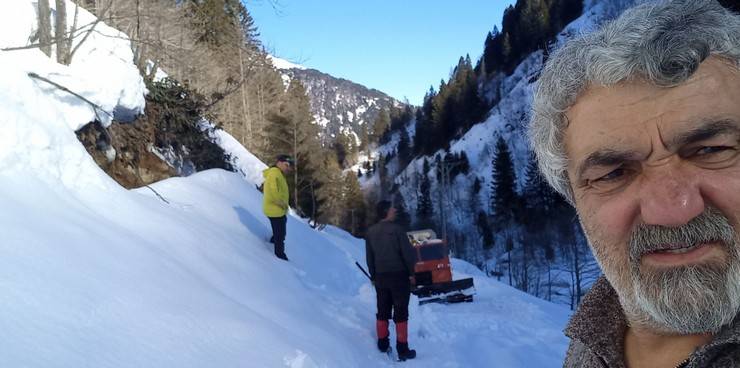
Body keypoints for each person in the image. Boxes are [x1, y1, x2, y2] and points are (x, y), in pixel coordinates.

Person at [528, 1, 740, 367]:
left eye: (711, 149)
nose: (673, 211)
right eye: (613, 174)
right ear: (575, 199)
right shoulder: (594, 339)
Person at [365, 200, 417, 361]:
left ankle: (382, 343)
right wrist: (411, 273)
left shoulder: (371, 232)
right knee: (401, 312)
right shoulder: (398, 231)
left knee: (382, 310)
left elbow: (369, 258)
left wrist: (373, 276)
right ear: (386, 211)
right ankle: (402, 349)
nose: (395, 210)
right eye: (392, 208)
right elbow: (408, 254)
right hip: (399, 277)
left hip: (380, 277)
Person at [262, 154, 293, 261]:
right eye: (286, 165)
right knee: (280, 234)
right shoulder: (274, 174)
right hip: (275, 209)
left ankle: (272, 241)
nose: (288, 167)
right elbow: (273, 191)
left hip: (278, 209)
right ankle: (280, 256)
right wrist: (282, 204)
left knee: (280, 230)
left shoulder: (278, 173)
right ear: (279, 163)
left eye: (289, 165)